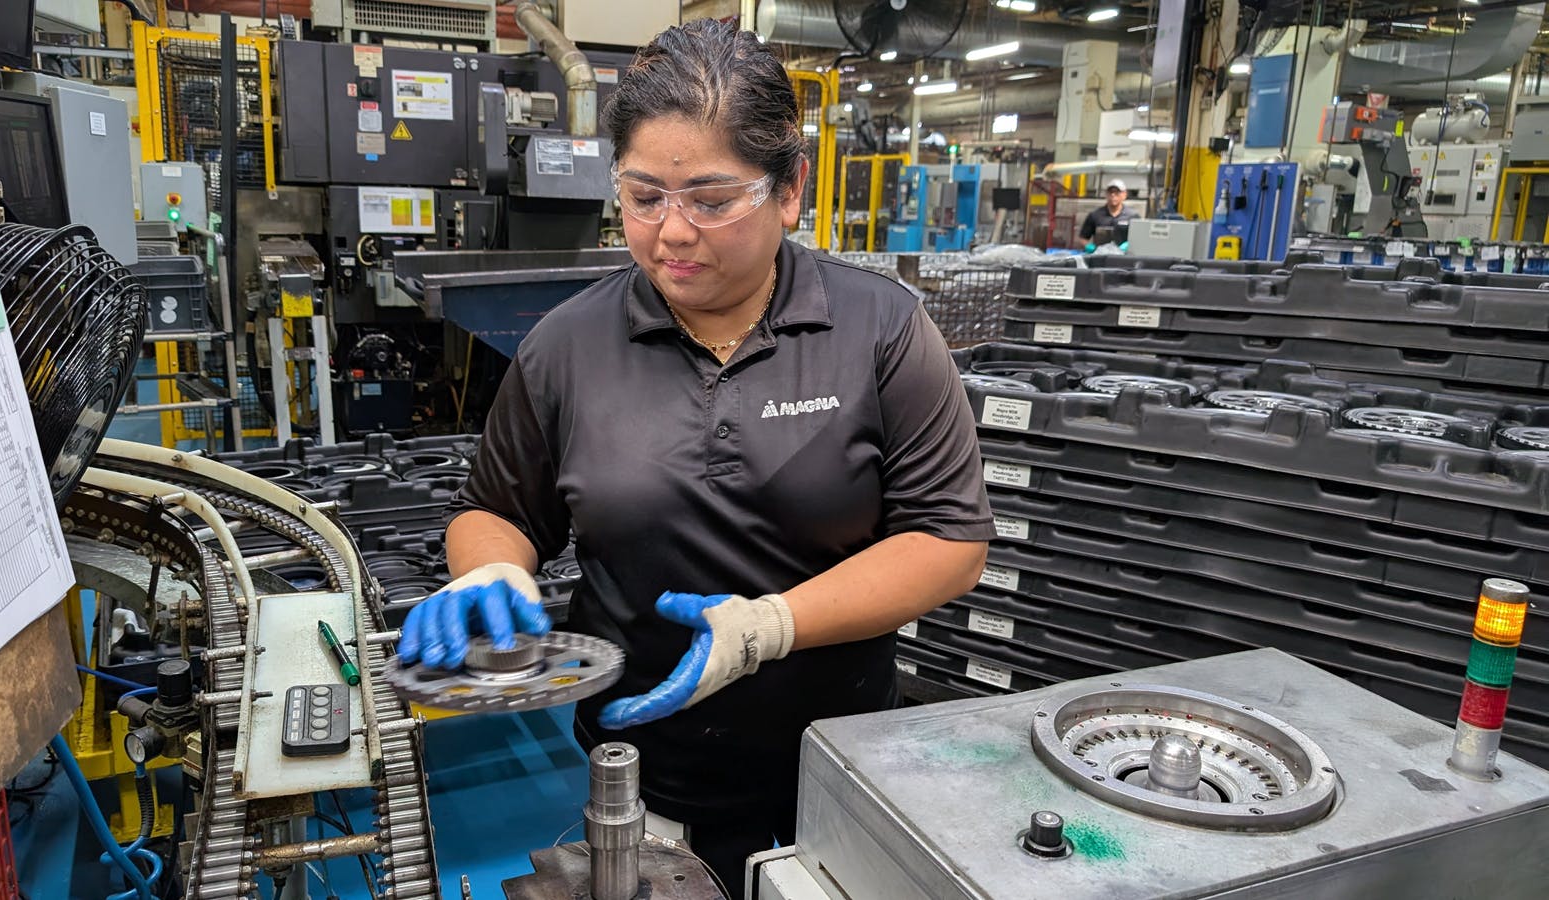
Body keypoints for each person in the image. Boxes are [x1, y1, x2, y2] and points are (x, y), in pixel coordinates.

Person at [397, 19, 993, 898]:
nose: (672, 233)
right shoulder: (567, 346)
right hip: (640, 773)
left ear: (788, 189)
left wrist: (769, 627)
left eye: (712, 200)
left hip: (840, 761)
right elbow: (498, 510)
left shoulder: (882, 330)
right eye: (643, 196)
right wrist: (491, 574)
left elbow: (949, 540)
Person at [1078, 178, 1137, 246]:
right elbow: (1083, 238)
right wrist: (1089, 247)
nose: (1113, 195)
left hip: (1124, 255)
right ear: (1106, 194)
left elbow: (1140, 237)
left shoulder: (1133, 216)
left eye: (1117, 192)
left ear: (1124, 195)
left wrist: (1129, 245)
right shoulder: (1095, 215)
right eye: (1110, 192)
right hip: (1101, 255)